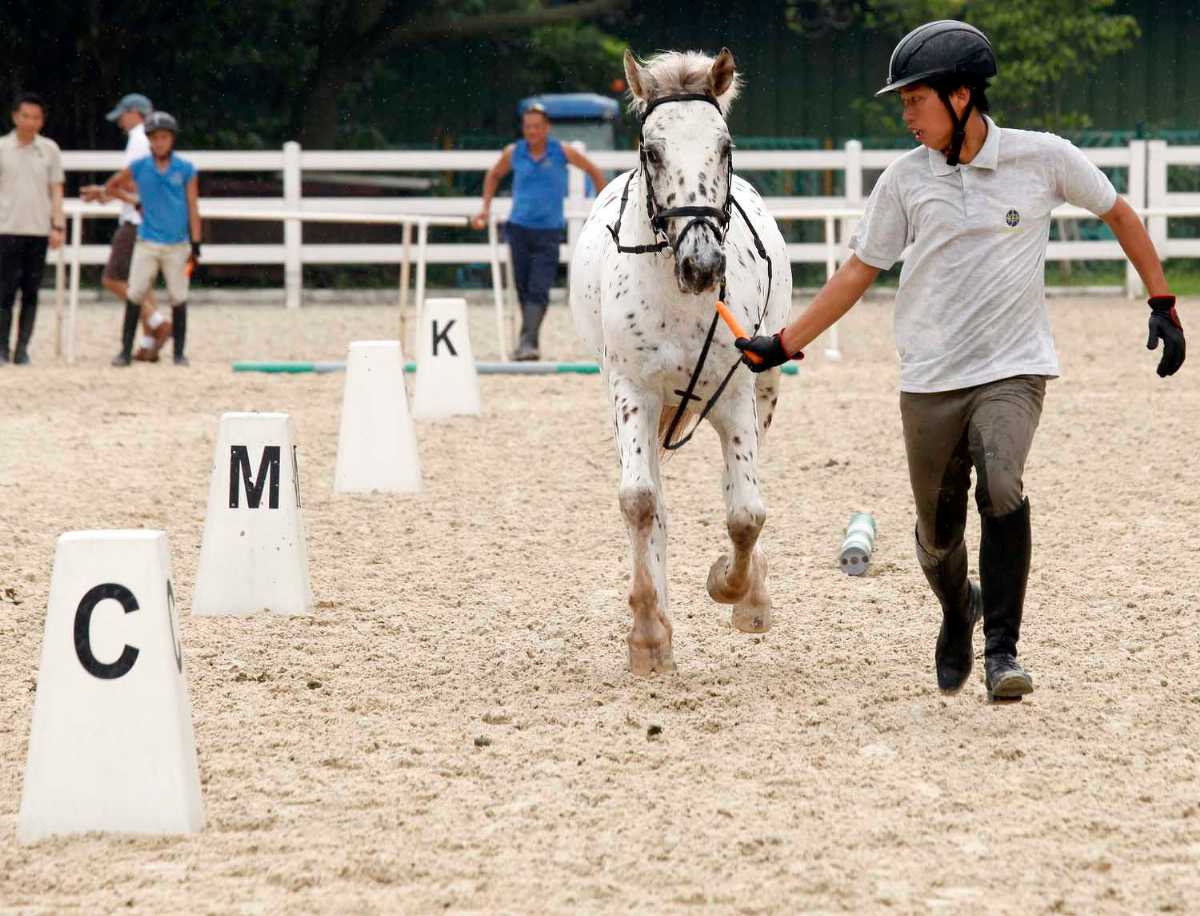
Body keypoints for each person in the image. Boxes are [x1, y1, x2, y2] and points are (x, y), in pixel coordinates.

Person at [736, 20, 1186, 702]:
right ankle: (958, 609)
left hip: (1014, 368)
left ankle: (1003, 650)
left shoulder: (1043, 159)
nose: (907, 115)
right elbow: (859, 271)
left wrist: (1162, 299)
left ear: (962, 97)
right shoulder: (904, 182)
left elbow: (1118, 213)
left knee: (1002, 484)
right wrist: (785, 341)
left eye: (915, 100)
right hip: (930, 379)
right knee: (937, 534)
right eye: (903, 103)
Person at [472, 103, 607, 360]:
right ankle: (528, 340)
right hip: (518, 228)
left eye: (536, 127)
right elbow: (494, 175)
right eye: (527, 127)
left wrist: (602, 204)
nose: (531, 131)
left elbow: (593, 171)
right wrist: (485, 207)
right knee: (523, 286)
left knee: (540, 286)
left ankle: (528, 342)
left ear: (546, 128)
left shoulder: (561, 152)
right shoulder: (514, 152)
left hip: (549, 231)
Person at [104, 111, 201, 367]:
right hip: (147, 240)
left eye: (164, 137)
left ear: (172, 139)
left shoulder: (185, 169)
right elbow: (112, 185)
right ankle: (125, 351)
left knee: (178, 296)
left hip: (177, 243)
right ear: (149, 140)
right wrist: (135, 201)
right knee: (135, 293)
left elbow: (192, 206)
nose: (160, 143)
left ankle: (179, 353)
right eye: (155, 138)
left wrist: (197, 242)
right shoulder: (140, 167)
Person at [82, 93, 172, 361]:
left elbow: (131, 182)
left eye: (123, 114)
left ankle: (157, 322)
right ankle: (147, 343)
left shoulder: (138, 140)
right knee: (142, 283)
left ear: (135, 113)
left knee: (113, 278)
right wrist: (105, 193)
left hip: (136, 218)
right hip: (153, 219)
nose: (121, 121)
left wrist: (105, 191)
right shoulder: (153, 144)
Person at [0, 93, 65, 365]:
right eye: (26, 116)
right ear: (15, 116)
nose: (30, 122)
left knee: (31, 291)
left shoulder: (50, 149)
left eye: (36, 117)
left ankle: (22, 348)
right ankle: (1, 347)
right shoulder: (2, 147)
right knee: (4, 291)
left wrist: (57, 224)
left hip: (38, 229)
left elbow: (56, 189)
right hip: (6, 227)